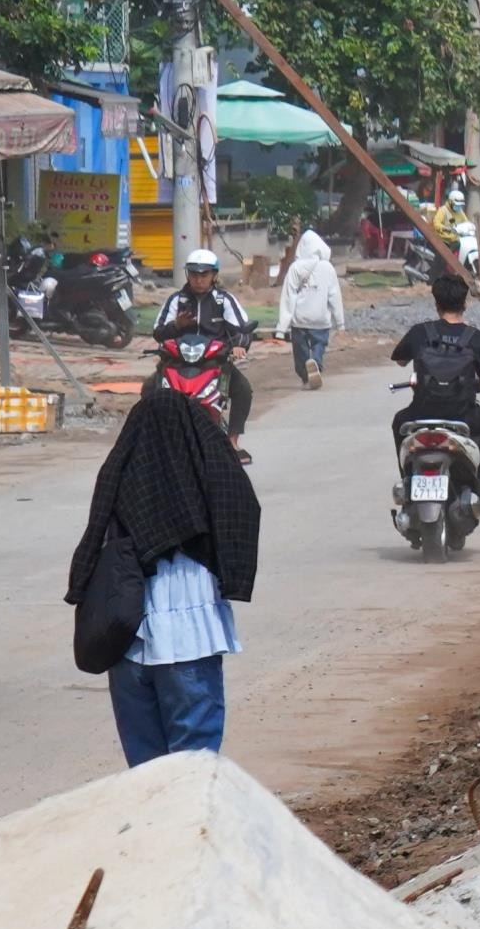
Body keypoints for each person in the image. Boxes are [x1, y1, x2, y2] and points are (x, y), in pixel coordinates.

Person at [66, 384, 260, 765]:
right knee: (194, 766)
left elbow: (95, 537)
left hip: (129, 641)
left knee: (146, 772)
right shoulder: (208, 472)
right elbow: (241, 506)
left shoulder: (122, 473)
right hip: (193, 639)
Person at [388, 269, 480, 498]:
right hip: (463, 417)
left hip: (420, 415)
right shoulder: (477, 338)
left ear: (436, 303)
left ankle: (407, 480)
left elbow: (400, 360)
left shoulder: (420, 332)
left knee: (398, 422)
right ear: (465, 302)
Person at [158, 246, 257, 448]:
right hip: (177, 363)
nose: (199, 279)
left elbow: (243, 329)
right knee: (149, 390)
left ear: (214, 275)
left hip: (217, 363)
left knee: (243, 389)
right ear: (188, 275)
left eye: (204, 274)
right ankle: (152, 438)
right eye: (194, 274)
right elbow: (157, 332)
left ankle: (233, 439)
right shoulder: (176, 300)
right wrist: (177, 326)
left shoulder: (224, 300)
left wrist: (239, 345)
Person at [277, 220, 344, 389]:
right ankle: (316, 363)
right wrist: (340, 322)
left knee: (300, 350)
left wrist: (281, 328)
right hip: (321, 318)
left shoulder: (295, 268)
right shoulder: (328, 268)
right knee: (319, 344)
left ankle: (306, 377)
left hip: (300, 319)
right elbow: (334, 296)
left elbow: (288, 296)